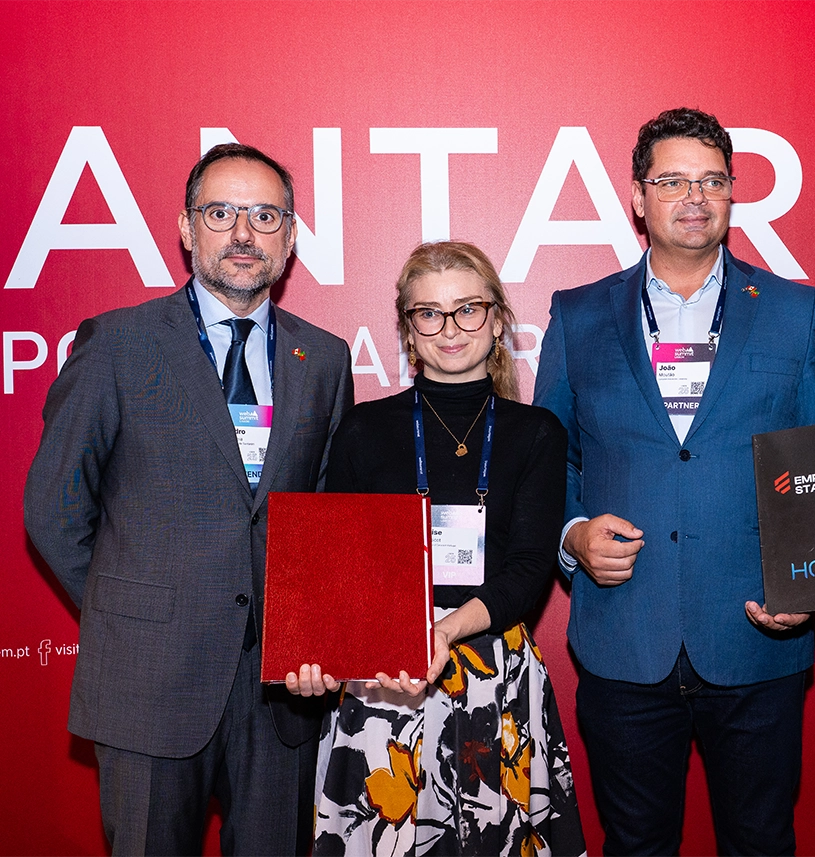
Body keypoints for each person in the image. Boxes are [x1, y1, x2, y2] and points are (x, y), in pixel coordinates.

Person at [532, 107, 815, 856]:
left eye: (712, 180)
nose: (694, 197)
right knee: (636, 843)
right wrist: (573, 534)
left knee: (762, 840)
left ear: (734, 193)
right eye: (672, 180)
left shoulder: (794, 312)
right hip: (623, 638)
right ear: (638, 196)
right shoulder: (579, 316)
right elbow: (550, 461)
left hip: (756, 636)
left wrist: (810, 590)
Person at [24, 143, 354, 856]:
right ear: (185, 227)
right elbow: (54, 507)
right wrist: (132, 609)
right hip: (149, 679)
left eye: (265, 215)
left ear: (291, 238)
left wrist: (315, 629)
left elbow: (324, 514)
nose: (243, 233)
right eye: (221, 211)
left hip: (280, 691)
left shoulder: (323, 359)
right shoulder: (118, 343)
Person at [287, 241, 586, 857]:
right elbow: (334, 574)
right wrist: (315, 649)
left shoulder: (536, 433)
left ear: (499, 319)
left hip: (489, 674)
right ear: (408, 328)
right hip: (380, 680)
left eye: (468, 309)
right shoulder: (363, 429)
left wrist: (444, 632)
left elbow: (531, 571)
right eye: (429, 313)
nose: (450, 329)